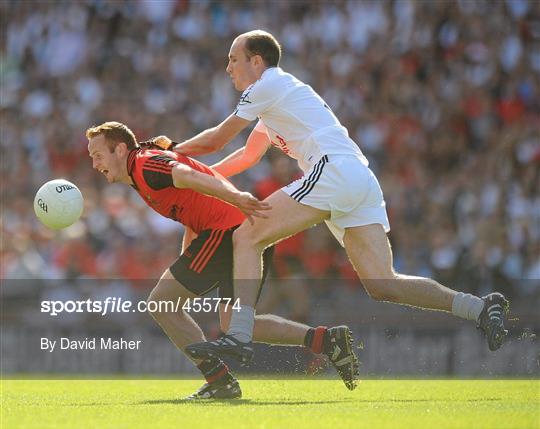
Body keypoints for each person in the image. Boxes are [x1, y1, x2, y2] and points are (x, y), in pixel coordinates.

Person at [164, 30, 510, 364]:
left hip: (333, 171)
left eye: (233, 59)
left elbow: (217, 140)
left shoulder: (267, 84)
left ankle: (238, 334)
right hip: (358, 176)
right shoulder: (279, 96)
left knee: (247, 235)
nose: (228, 68)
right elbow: (246, 156)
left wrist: (172, 152)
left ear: (256, 61)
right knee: (383, 283)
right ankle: (478, 307)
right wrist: (203, 178)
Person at [86, 121, 360, 398]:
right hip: (244, 233)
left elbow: (188, 175)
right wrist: (187, 256)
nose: (95, 165)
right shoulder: (143, 167)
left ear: (120, 149)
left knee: (161, 303)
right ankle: (327, 340)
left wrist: (236, 197)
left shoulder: (144, 164)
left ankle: (219, 381)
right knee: (234, 325)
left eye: (98, 155)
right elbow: (191, 207)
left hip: (228, 232)